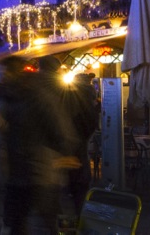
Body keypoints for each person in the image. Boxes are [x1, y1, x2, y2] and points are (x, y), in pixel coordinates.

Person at [0, 57, 79, 235]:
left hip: (40, 169)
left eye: (6, 72)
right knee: (17, 220)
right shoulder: (12, 97)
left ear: (15, 72)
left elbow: (59, 125)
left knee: (51, 216)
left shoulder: (36, 95)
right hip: (19, 170)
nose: (3, 76)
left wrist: (66, 152)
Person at [58, 71, 101, 218]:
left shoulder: (67, 99)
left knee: (67, 194)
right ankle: (80, 222)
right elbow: (92, 124)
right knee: (80, 192)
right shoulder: (90, 100)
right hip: (80, 149)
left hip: (67, 150)